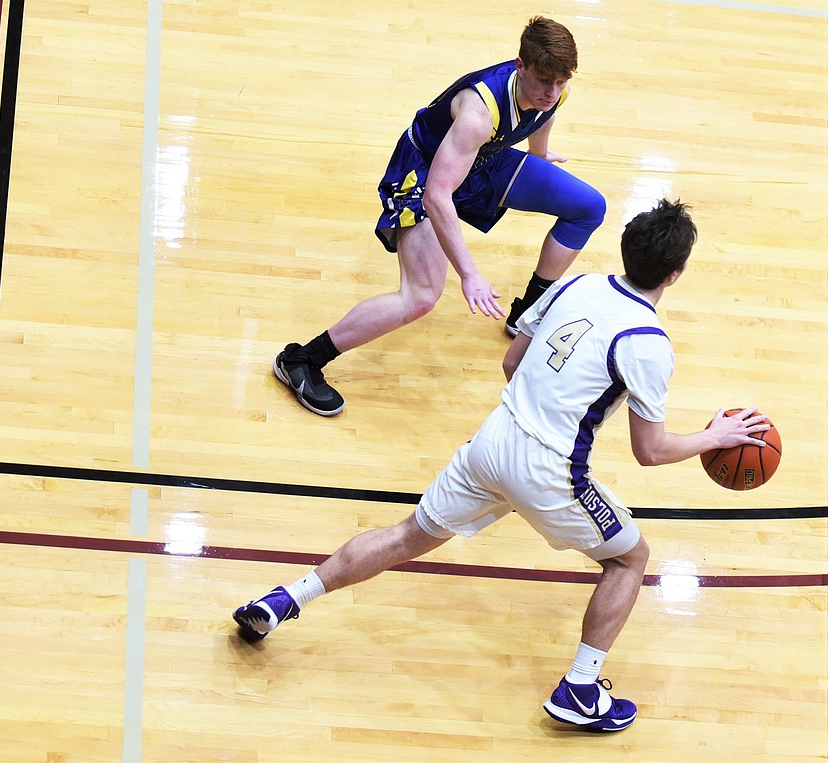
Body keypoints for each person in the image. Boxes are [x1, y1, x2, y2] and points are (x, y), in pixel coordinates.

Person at [236, 199, 770, 731]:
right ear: (675, 274)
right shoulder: (648, 343)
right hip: (553, 471)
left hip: (492, 441)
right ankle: (581, 689)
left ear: (626, 250)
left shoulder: (576, 283)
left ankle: (287, 597)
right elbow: (649, 452)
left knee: (406, 535)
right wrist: (713, 437)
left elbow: (512, 360)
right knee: (630, 560)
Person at [274, 16, 607, 416]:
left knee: (589, 207)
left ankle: (526, 314)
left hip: (481, 160)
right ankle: (301, 361)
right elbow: (437, 196)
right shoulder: (478, 114)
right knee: (421, 297)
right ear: (521, 65)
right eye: (544, 82)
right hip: (423, 174)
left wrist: (539, 155)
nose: (552, 92)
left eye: (561, 82)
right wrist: (470, 274)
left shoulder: (552, 91)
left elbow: (544, 115)